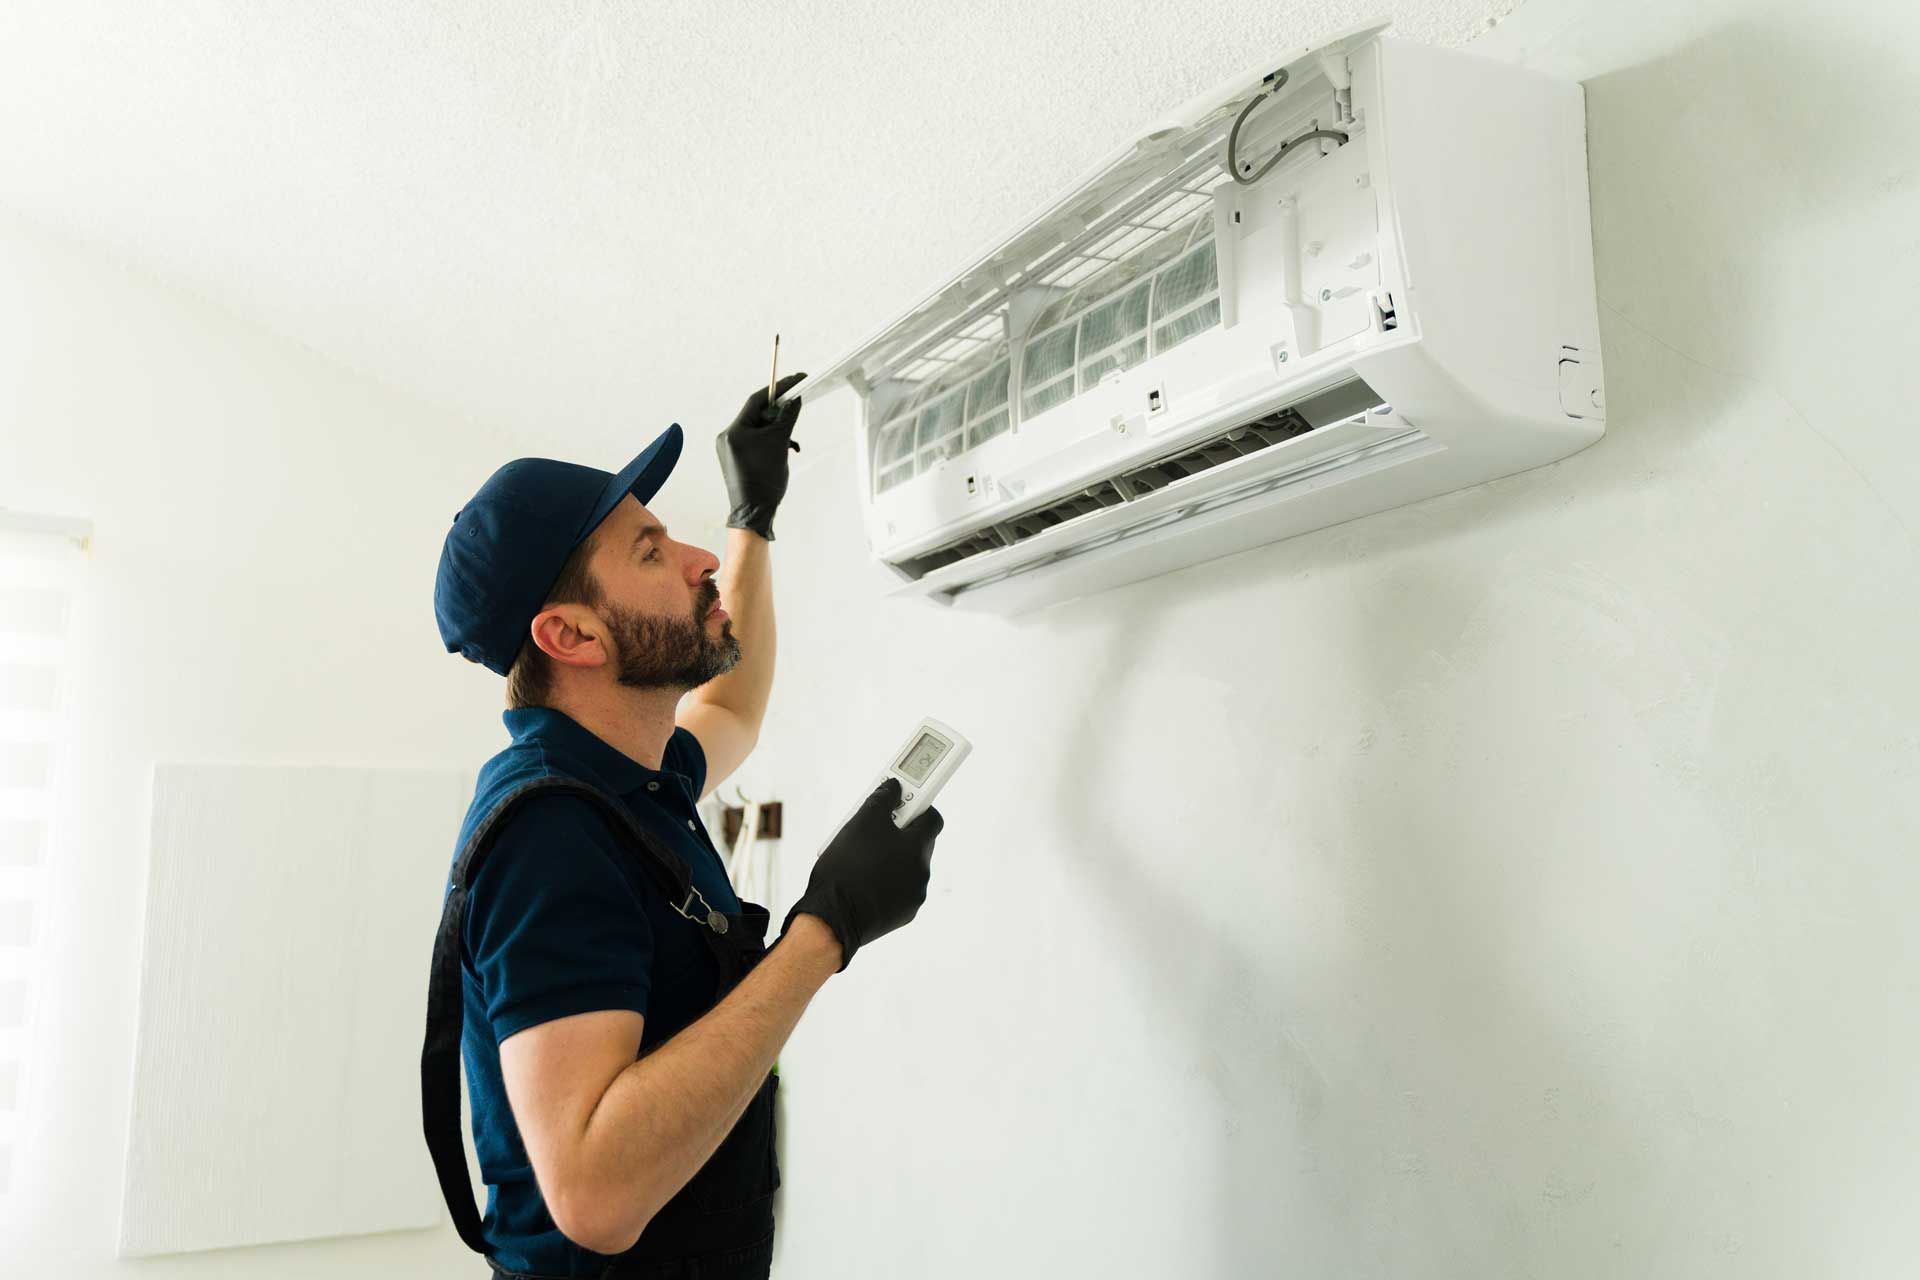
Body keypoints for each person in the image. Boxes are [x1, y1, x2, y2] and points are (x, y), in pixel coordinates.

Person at [421, 376, 945, 1279]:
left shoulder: (629, 777)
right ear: (573, 637)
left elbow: (731, 708)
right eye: (651, 552)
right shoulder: (550, 839)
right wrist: (827, 929)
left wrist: (754, 515)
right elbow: (594, 1194)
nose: (696, 555)